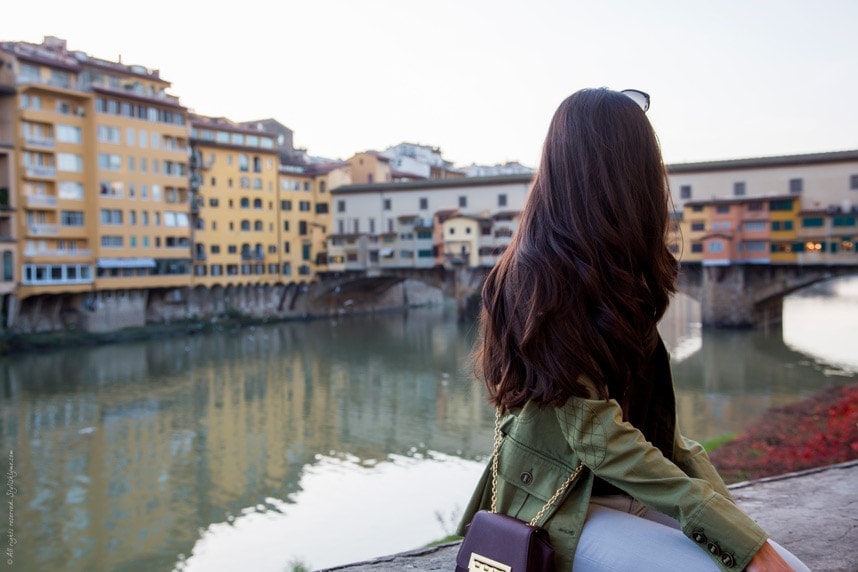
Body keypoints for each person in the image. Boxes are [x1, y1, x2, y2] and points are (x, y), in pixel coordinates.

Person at [456, 88, 809, 571]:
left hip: (636, 493)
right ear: (623, 173)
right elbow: (599, 439)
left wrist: (736, 527)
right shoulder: (533, 279)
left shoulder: (620, 274)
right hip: (564, 508)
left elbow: (664, 434)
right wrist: (725, 528)